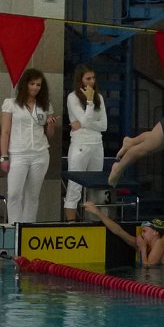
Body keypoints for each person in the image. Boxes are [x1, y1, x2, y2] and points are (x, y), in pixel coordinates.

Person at [0, 68, 58, 224]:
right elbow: (5, 132)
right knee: (14, 194)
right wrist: (4, 156)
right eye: (32, 84)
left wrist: (51, 125)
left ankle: (28, 226)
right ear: (25, 84)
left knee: (32, 195)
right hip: (18, 153)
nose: (35, 87)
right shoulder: (11, 104)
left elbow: (49, 135)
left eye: (38, 85)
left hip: (40, 153)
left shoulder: (45, 105)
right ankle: (14, 227)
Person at [64, 64, 107, 222]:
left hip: (97, 144)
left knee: (94, 187)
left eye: (93, 78)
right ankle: (71, 224)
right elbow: (85, 119)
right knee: (75, 186)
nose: (91, 81)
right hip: (80, 145)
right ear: (80, 80)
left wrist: (82, 124)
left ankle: (93, 222)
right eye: (88, 78)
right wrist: (89, 101)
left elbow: (104, 125)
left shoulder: (99, 97)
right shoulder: (72, 97)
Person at [83, 201, 164, 267]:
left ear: (156, 232)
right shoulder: (143, 244)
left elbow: (148, 267)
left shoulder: (159, 243)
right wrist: (96, 212)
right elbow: (118, 231)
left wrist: (142, 248)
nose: (141, 234)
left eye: (144, 231)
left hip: (155, 282)